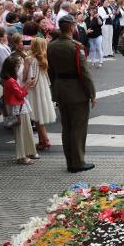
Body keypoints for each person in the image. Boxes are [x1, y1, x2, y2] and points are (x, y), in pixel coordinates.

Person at [47, 14, 96, 173]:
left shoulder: (51, 45)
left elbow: (51, 71)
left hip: (60, 89)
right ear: (71, 27)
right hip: (76, 91)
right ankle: (77, 162)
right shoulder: (76, 46)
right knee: (78, 128)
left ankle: (70, 160)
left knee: (67, 127)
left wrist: (55, 90)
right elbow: (84, 73)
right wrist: (92, 93)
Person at [1, 55, 38, 164]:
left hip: (18, 107)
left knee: (25, 131)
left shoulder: (8, 80)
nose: (18, 68)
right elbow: (20, 94)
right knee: (21, 132)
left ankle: (27, 152)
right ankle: (22, 156)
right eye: (18, 66)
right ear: (13, 68)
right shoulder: (11, 81)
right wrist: (27, 84)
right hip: (18, 108)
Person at [23, 37, 56, 150]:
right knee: (38, 112)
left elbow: (24, 75)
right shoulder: (44, 58)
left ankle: (45, 140)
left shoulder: (29, 59)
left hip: (33, 87)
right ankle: (42, 140)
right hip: (42, 86)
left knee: (36, 112)